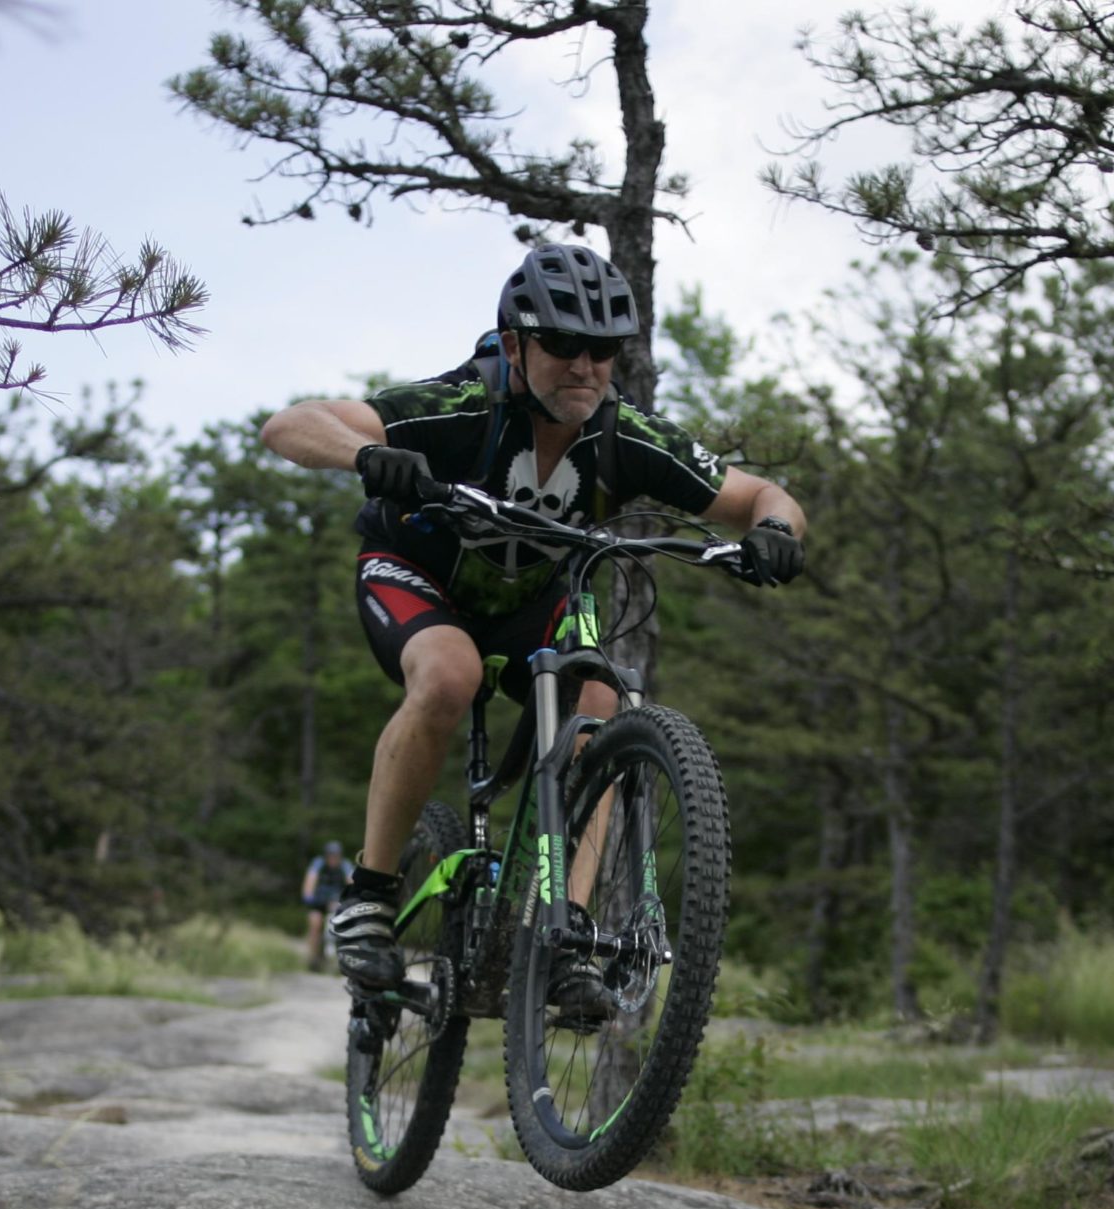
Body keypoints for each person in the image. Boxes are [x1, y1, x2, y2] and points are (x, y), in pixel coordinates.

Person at [259, 242, 806, 1005]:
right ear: (515, 344)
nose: (585, 365)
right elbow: (291, 424)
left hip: (527, 605)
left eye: (604, 348)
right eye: (562, 344)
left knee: (600, 708)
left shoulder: (626, 438)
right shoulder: (462, 406)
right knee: (450, 675)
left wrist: (777, 532)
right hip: (421, 578)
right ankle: (370, 895)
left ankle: (565, 934)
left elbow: (761, 495)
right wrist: (365, 456)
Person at [300, 839, 351, 971]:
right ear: (326, 856)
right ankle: (312, 958)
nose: (333, 859)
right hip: (319, 902)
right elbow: (310, 880)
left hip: (337, 903)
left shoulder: (345, 865)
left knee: (346, 927)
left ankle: (344, 960)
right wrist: (308, 896)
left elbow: (351, 881)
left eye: (336, 856)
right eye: (331, 856)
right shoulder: (318, 863)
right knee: (314, 923)